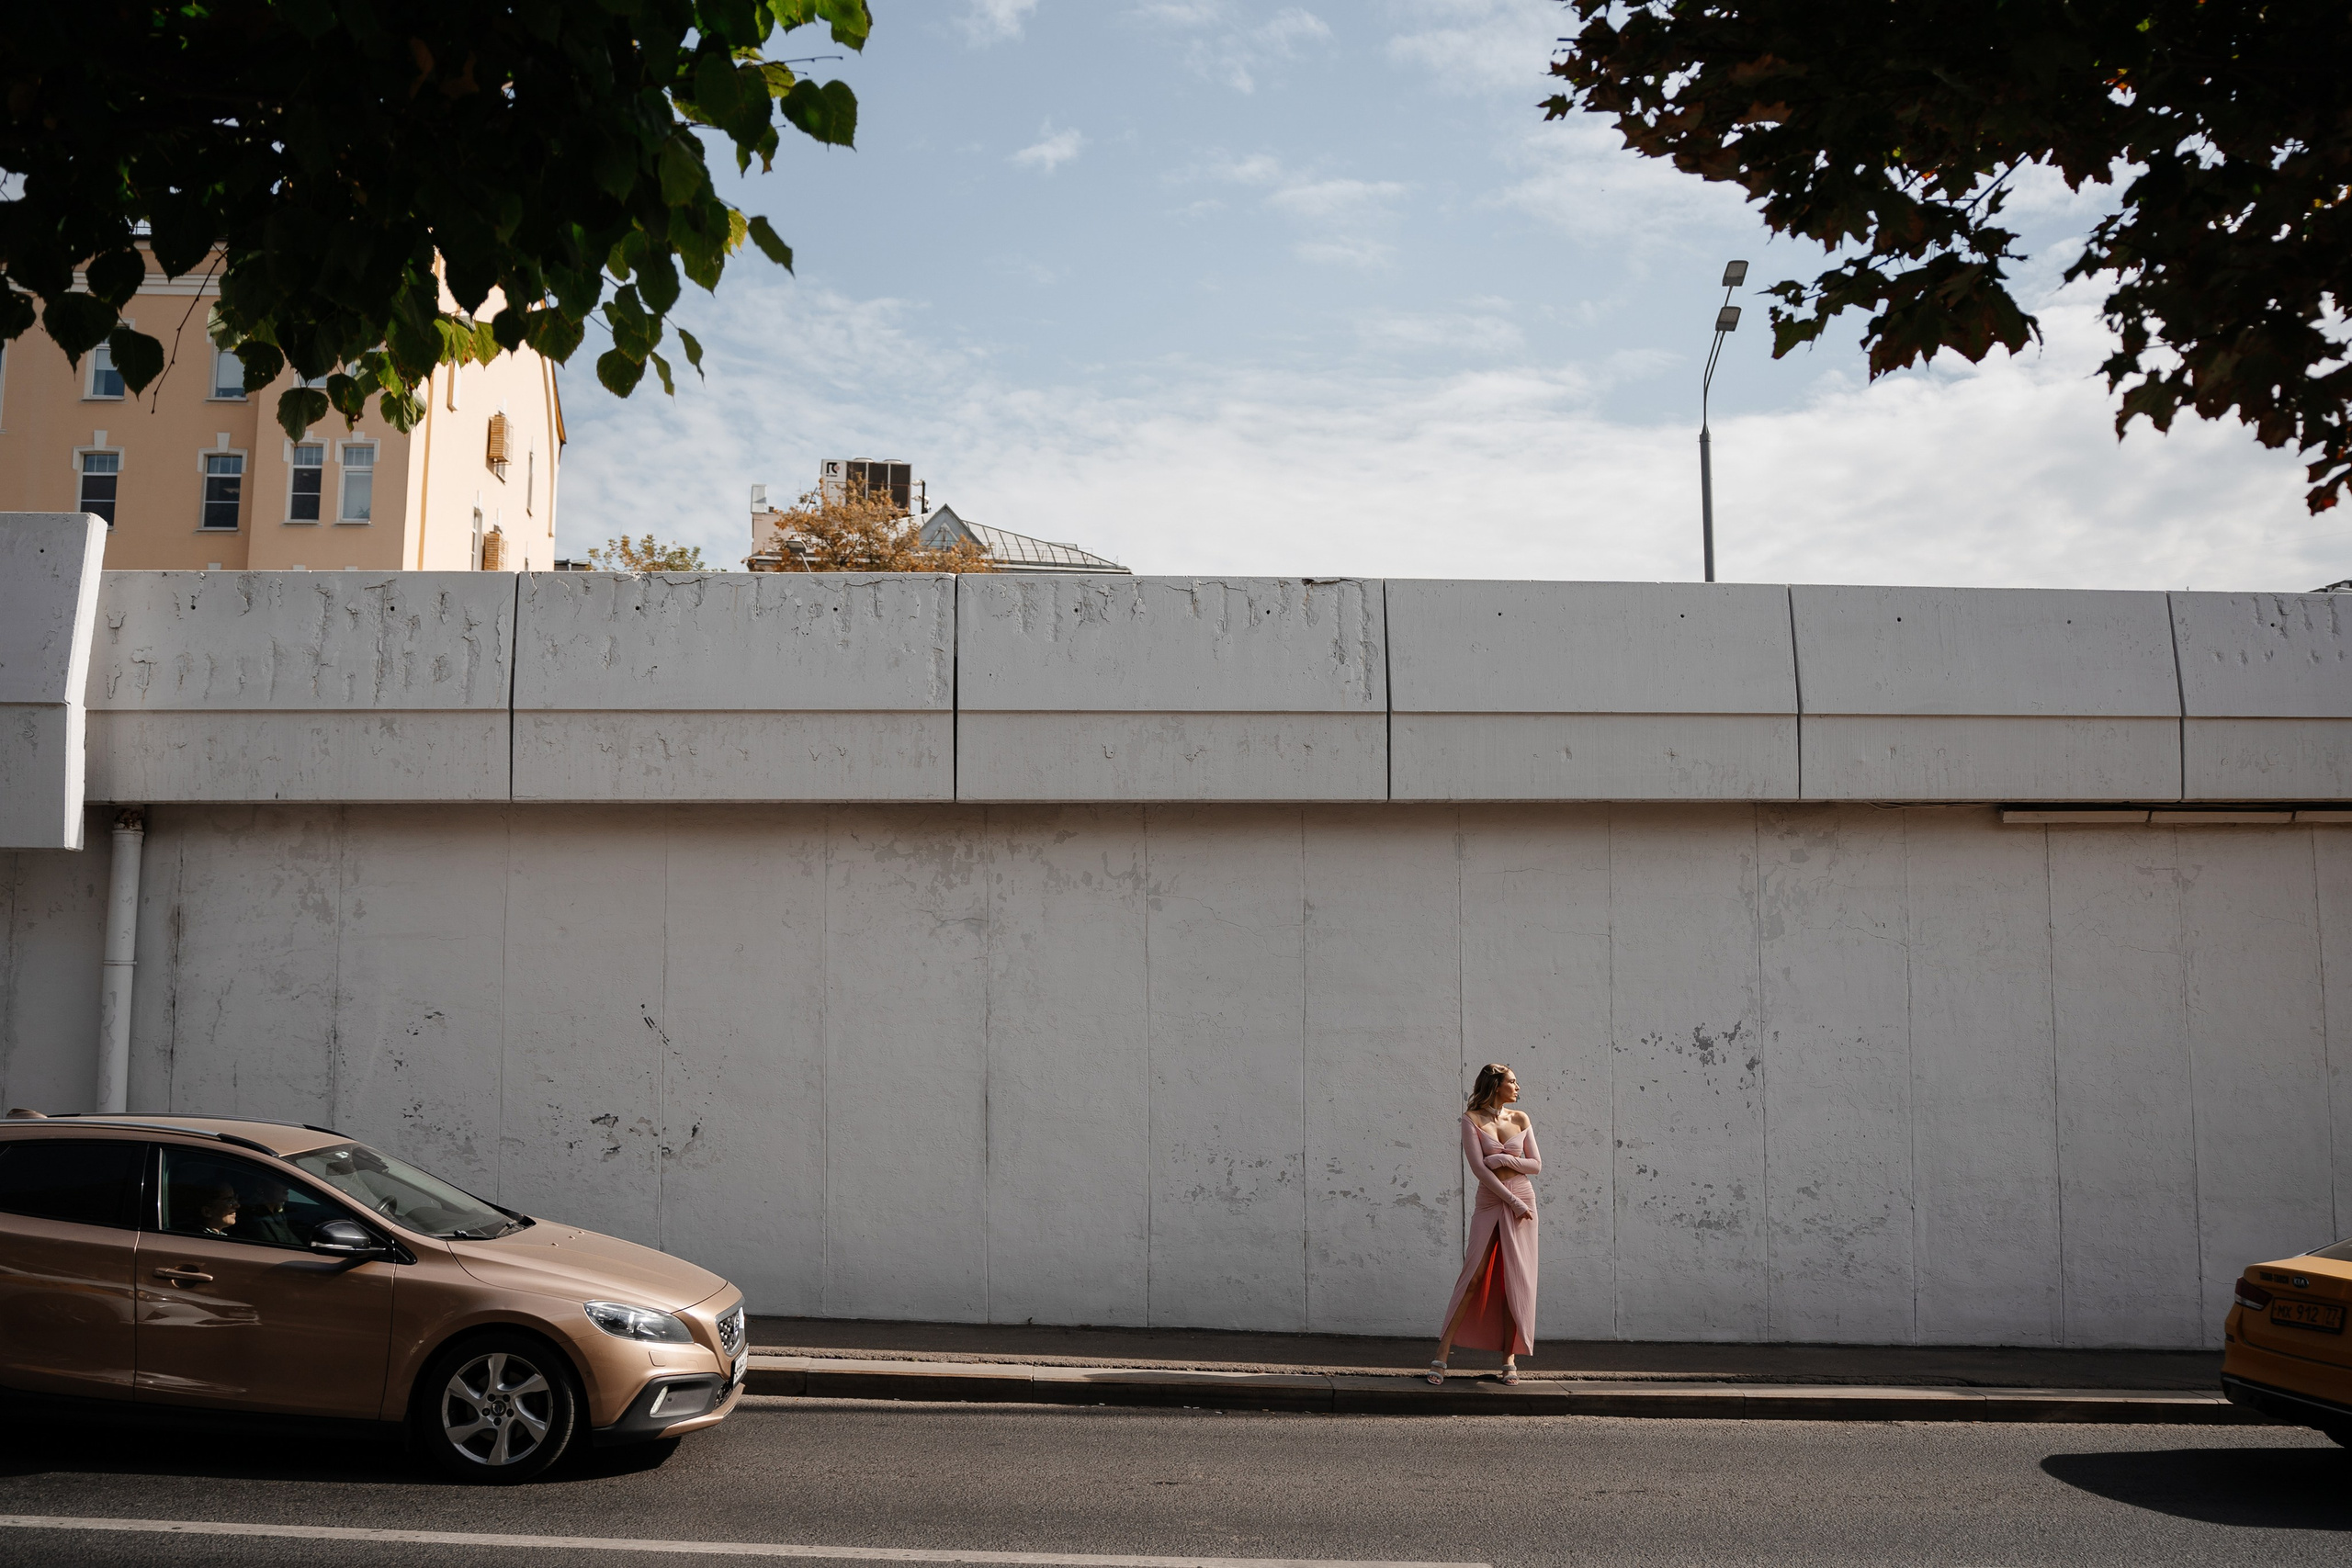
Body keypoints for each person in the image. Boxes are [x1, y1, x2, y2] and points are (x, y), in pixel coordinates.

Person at [1430, 1063, 1541, 1385]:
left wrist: (1503, 1159)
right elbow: (1479, 1169)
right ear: (1495, 1086)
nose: (1517, 1087)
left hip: (1523, 1198)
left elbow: (1536, 1165)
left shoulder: (1520, 1118)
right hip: (1493, 1200)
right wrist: (1512, 1201)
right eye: (1512, 1082)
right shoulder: (1471, 1119)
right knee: (1474, 1276)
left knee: (1515, 1280)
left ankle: (1509, 1359)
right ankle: (1442, 1353)